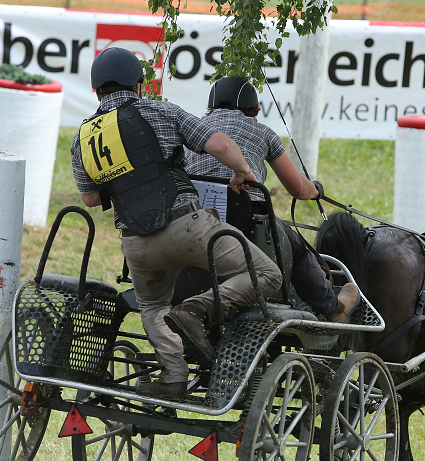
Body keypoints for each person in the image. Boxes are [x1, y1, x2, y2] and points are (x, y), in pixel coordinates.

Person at [70, 48, 282, 400]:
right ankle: (197, 310)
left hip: (135, 242)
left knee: (152, 307)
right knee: (267, 274)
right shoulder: (160, 108)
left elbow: (91, 199)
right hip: (187, 226)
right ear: (139, 85)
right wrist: (242, 172)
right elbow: (217, 144)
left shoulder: (84, 137)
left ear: (96, 92)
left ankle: (173, 376)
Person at [186, 76, 359, 323]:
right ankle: (333, 307)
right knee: (297, 249)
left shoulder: (194, 128)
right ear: (252, 106)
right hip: (247, 223)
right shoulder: (262, 132)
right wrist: (316, 190)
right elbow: (298, 189)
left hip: (194, 219)